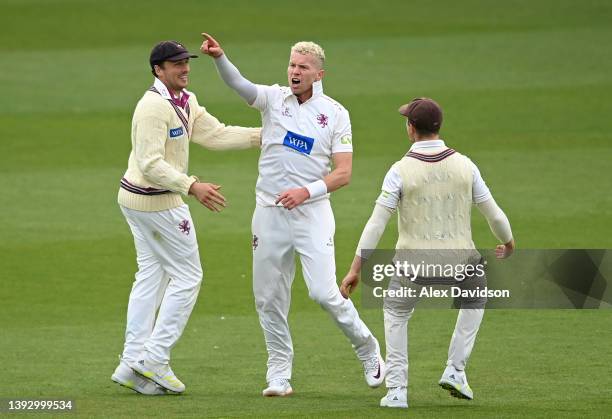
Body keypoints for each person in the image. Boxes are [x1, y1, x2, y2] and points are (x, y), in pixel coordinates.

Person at [200, 33, 385, 396]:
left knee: (322, 293)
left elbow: (343, 173)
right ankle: (279, 373)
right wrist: (220, 57)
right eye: (291, 65)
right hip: (268, 213)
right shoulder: (273, 99)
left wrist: (305, 192)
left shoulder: (334, 114)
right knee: (268, 298)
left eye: (303, 67)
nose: (294, 72)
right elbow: (239, 85)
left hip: (311, 214)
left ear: (319, 75)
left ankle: (368, 349)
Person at [340, 98, 515, 408]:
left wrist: (356, 268)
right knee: (476, 296)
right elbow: (495, 215)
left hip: (412, 265)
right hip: (461, 263)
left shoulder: (399, 170)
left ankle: (396, 391)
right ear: (438, 127)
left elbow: (376, 223)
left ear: (411, 129)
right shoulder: (465, 164)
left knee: (395, 313)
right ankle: (456, 370)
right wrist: (508, 241)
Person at [111, 40, 261, 395]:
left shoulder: (186, 101)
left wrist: (264, 136)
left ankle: (132, 361)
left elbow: (217, 134)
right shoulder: (152, 108)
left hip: (143, 200)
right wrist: (192, 186)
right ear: (157, 70)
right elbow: (150, 163)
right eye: (176, 64)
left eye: (186, 62)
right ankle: (155, 358)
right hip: (155, 201)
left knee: (151, 274)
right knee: (188, 277)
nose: (185, 68)